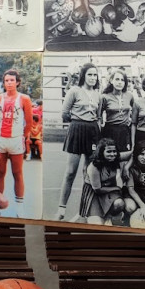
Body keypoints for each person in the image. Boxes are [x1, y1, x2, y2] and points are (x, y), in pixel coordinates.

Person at [58, 63, 101, 220]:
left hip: (93, 132)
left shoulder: (98, 94)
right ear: (83, 76)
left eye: (95, 75)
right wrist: (78, 122)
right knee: (70, 172)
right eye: (89, 74)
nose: (92, 78)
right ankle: (61, 208)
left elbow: (98, 115)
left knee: (88, 173)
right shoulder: (74, 91)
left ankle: (85, 208)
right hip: (77, 130)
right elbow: (64, 113)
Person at [0, 69, 34, 207]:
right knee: (0, 172)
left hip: (16, 139)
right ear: (4, 83)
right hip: (0, 139)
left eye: (12, 80)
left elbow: (29, 122)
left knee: (17, 172)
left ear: (17, 82)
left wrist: (22, 136)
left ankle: (19, 206)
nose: (9, 83)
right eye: (6, 80)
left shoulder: (24, 98)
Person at [81, 138, 125, 225]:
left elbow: (133, 154)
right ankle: (92, 215)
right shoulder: (94, 166)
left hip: (108, 191)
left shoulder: (115, 159)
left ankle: (110, 216)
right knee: (97, 224)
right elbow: (97, 189)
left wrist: (127, 168)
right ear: (101, 152)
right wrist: (116, 188)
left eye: (114, 151)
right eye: (109, 152)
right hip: (94, 195)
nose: (112, 154)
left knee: (119, 203)